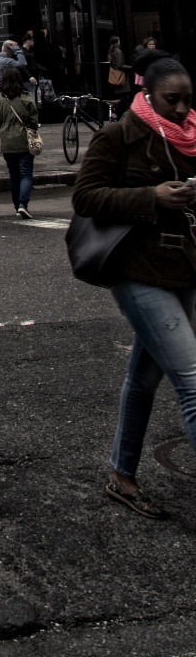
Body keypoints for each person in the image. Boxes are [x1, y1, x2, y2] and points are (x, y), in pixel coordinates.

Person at [72, 57, 196, 519]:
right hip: (137, 270)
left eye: (188, 100)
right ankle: (121, 475)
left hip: (182, 266)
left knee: (145, 377)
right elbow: (85, 197)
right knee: (192, 380)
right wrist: (152, 197)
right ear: (149, 96)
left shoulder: (193, 136)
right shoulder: (119, 135)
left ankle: (122, 475)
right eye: (172, 100)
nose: (182, 110)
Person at [0, 64, 39, 218]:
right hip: (24, 139)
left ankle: (17, 206)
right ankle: (23, 203)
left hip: (7, 140)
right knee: (26, 173)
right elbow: (33, 119)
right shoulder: (26, 96)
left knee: (13, 175)